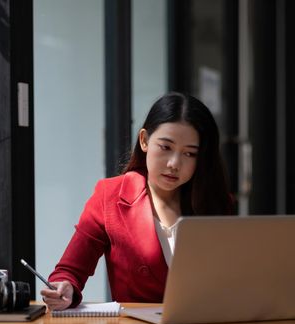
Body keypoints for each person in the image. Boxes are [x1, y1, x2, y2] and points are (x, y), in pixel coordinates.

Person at [41, 92, 233, 310]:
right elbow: (70, 270)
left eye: (189, 154)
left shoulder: (214, 202)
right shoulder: (110, 196)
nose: (174, 163)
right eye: (165, 147)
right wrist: (64, 287)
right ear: (144, 140)